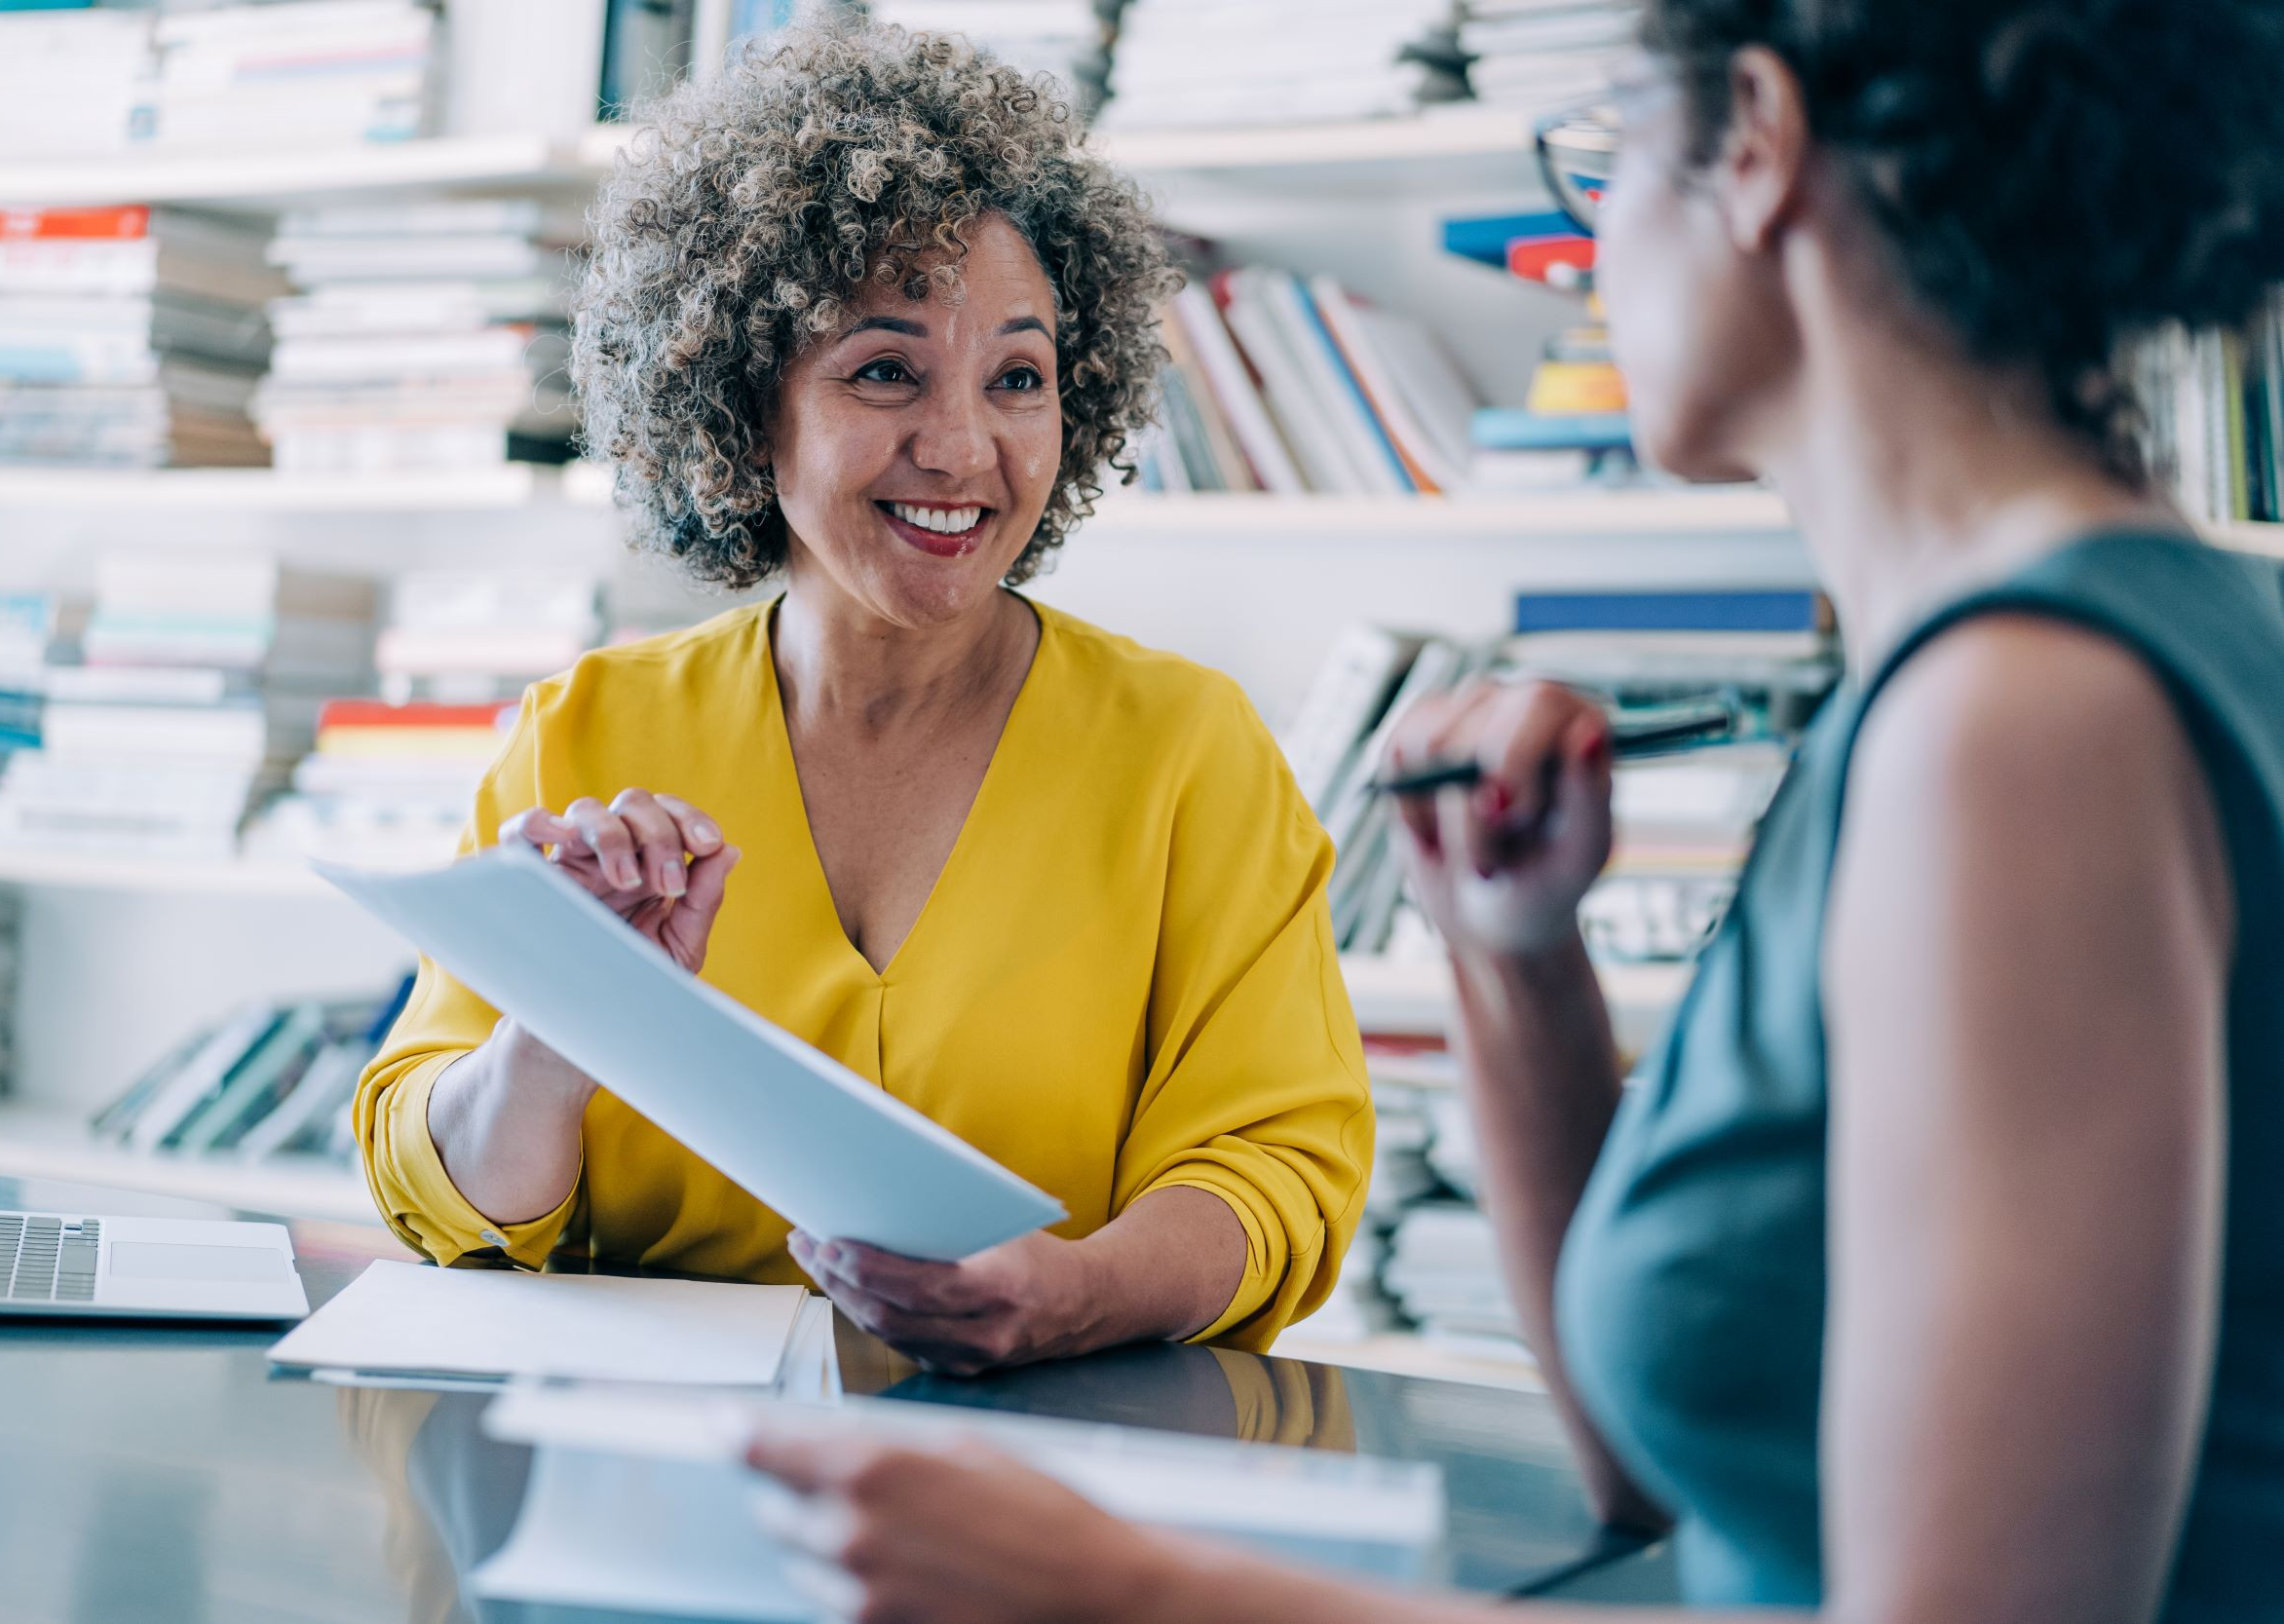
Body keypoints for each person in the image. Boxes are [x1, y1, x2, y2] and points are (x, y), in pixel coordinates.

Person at [745, 1, 2284, 1617]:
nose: (1588, 240)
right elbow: (1657, 1469)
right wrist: (1515, 959)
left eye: (1605, 160)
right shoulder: (2030, 672)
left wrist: (1120, 1590)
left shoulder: (2026, 729)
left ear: (1754, 143)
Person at [353, 20, 1373, 1374]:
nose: (962, 449)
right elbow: (444, 1196)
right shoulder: (588, 739)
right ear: (737, 398)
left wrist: (1071, 1294)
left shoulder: (1189, 752)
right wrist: (560, 1028)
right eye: (885, 369)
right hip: (646, 1490)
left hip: (1046, 1489)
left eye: (1018, 377)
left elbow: (1277, 1171)